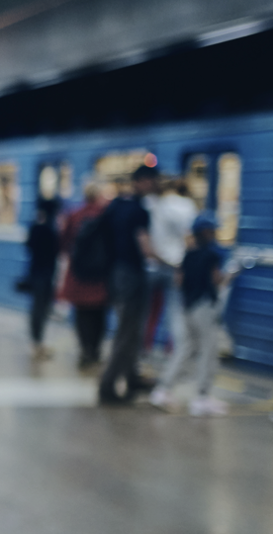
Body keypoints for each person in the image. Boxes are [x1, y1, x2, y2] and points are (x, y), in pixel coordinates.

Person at [149, 215, 229, 416]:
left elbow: (178, 281)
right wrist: (230, 276)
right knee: (209, 349)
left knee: (185, 347)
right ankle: (202, 397)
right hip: (204, 306)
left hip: (186, 306)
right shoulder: (212, 255)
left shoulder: (188, 255)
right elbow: (216, 279)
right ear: (206, 231)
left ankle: (163, 389)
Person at [98, 164, 159, 405]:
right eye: (152, 180)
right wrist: (172, 262)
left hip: (114, 275)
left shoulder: (116, 205)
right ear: (142, 181)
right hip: (132, 275)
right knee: (128, 332)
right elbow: (146, 249)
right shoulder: (139, 211)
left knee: (130, 330)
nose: (154, 185)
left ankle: (132, 376)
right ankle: (108, 386)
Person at [59, 182, 109, 369]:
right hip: (101, 275)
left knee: (82, 313)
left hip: (79, 273)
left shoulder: (74, 214)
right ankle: (95, 351)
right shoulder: (105, 215)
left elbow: (64, 243)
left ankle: (85, 350)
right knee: (99, 313)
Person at [144, 178, 197, 351]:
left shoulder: (148, 203)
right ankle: (172, 350)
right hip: (175, 265)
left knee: (148, 311)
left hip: (150, 264)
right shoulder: (186, 206)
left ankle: (145, 348)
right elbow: (190, 239)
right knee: (175, 313)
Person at [25, 198, 60, 361]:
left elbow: (28, 246)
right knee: (40, 309)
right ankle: (37, 343)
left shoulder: (35, 227)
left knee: (38, 309)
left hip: (36, 272)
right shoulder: (48, 229)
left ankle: (37, 342)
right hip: (44, 274)